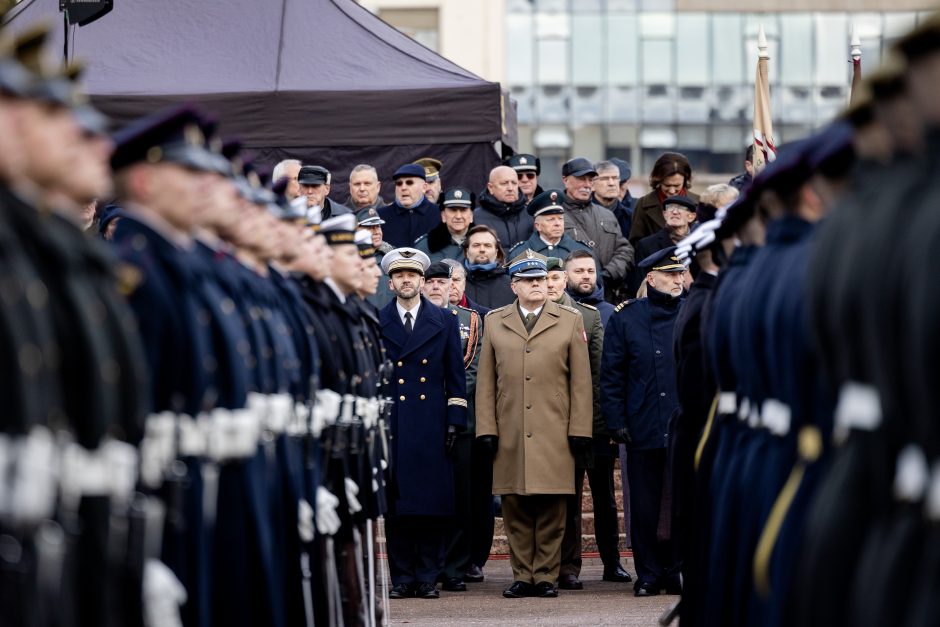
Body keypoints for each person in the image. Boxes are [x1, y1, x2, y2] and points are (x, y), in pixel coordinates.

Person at [475, 250, 593, 599]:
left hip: (555, 429)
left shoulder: (570, 320)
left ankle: (545, 575)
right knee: (515, 507)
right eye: (529, 281)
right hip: (510, 429)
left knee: (553, 508)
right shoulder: (496, 321)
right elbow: (485, 382)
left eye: (541, 280)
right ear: (514, 286)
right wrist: (487, 429)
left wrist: (580, 430)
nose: (537, 285)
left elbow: (581, 383)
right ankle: (522, 575)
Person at [379, 248, 468, 599]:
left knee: (431, 505)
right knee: (398, 508)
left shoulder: (443, 320)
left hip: (432, 423)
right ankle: (401, 577)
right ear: (390, 282)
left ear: (421, 281)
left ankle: (428, 576)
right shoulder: (378, 319)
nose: (406, 280)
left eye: (412, 275)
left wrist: (454, 420)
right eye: (400, 275)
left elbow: (455, 378)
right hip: (395, 424)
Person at [600, 246, 685, 597]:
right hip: (643, 422)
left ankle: (679, 569)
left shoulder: (693, 310)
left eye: (681, 274)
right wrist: (616, 419)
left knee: (683, 502)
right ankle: (648, 573)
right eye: (671, 275)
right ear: (651, 278)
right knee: (646, 504)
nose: (678, 280)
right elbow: (612, 374)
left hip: (685, 424)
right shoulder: (627, 317)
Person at [545, 258, 633, 590]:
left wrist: (604, 425)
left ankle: (612, 562)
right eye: (550, 277)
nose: (552, 284)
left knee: (604, 499)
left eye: (555, 277)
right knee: (566, 499)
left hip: (593, 428)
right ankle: (568, 566)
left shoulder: (590, 316)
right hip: (556, 428)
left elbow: (599, 376)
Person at [421, 261, 484, 592]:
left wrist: (446, 398)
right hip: (422, 418)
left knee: (462, 496)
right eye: (429, 281)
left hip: (461, 418)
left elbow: (471, 368)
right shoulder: (413, 319)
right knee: (427, 496)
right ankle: (430, 563)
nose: (435, 287)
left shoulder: (469, 320)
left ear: (452, 287)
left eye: (441, 282)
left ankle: (456, 566)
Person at [560, 157, 635, 296]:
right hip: (569, 297)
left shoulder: (606, 214)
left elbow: (625, 251)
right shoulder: (555, 215)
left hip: (606, 296)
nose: (587, 184)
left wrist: (607, 275)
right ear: (565, 181)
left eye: (590, 180)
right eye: (581, 179)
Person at [629, 152, 700, 245]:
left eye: (677, 185)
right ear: (658, 180)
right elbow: (635, 243)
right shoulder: (643, 204)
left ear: (685, 180)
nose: (672, 191)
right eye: (667, 185)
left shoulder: (699, 203)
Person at [508, 189, 594, 264]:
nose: (557, 223)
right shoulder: (520, 253)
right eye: (551, 219)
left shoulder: (581, 250)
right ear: (538, 226)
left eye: (560, 218)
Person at [378, 163, 439, 247]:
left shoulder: (440, 215)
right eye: (399, 183)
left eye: (409, 183)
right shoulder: (380, 217)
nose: (403, 187)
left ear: (424, 187)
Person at [473, 165, 532, 252]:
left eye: (514, 183)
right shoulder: (475, 217)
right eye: (504, 183)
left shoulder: (531, 214)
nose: (510, 188)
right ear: (490, 188)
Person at [634, 195, 699, 268]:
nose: (674, 212)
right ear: (664, 214)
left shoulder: (700, 243)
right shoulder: (646, 245)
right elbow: (641, 277)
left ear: (691, 217)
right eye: (670, 207)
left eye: (681, 208)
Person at [461, 224, 514, 309]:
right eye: (476, 245)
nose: (482, 249)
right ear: (467, 251)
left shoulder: (512, 285)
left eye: (487, 245)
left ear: (496, 252)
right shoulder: (455, 283)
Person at [414, 186, 473, 263]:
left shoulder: (483, 243)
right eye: (453, 210)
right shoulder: (424, 246)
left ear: (471, 215)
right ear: (443, 215)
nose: (458, 216)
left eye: (463, 210)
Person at [565, 249, 615, 327]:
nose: (586, 276)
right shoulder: (554, 309)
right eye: (579, 271)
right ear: (565, 276)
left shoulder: (612, 313)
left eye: (591, 271)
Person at [358, 207, 395, 308]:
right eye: (370, 227)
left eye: (378, 226)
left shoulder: (393, 256)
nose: (376, 232)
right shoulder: (349, 261)